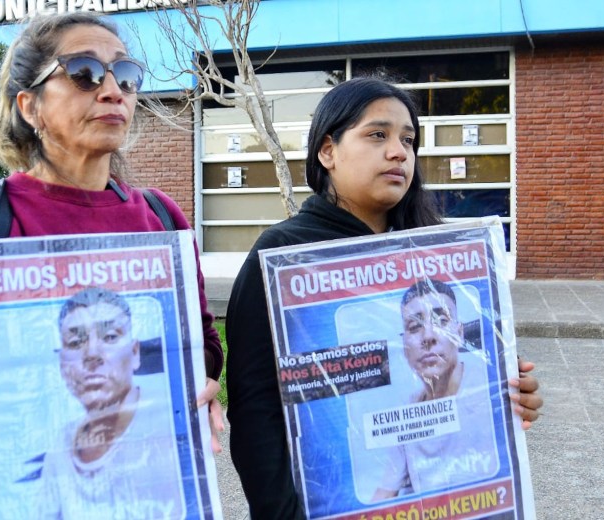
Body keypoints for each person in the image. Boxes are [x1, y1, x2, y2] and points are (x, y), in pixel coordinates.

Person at [0, 11, 224, 517]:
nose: (111, 90)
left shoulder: (162, 218)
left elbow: (203, 345)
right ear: (30, 105)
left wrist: (199, 382)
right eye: (83, 72)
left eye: (125, 75)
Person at [225, 77, 543, 519]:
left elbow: (480, 378)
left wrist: (511, 392)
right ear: (327, 151)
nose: (399, 152)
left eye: (408, 140)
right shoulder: (281, 255)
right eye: (378, 135)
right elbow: (254, 407)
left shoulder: (432, 253)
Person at [38, 288, 182, 519]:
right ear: (61, 363)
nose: (92, 353)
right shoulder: (61, 445)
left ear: (135, 353)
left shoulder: (171, 424)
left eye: (110, 337)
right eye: (75, 342)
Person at [369, 279, 499, 500]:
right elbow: (383, 494)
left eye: (441, 320)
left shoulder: (491, 389)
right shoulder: (406, 412)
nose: (428, 336)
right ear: (403, 347)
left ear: (458, 333)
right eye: (414, 327)